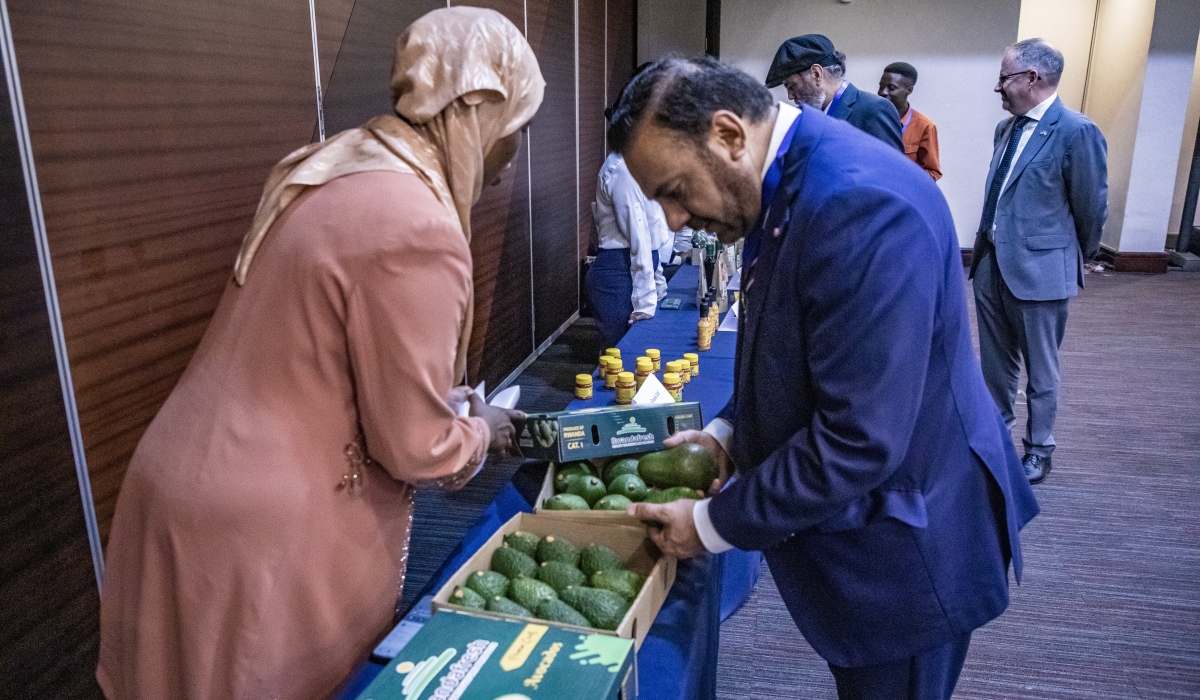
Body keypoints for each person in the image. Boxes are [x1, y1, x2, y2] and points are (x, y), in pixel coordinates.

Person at [95, 8, 543, 698]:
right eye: (517, 130)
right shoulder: (416, 222)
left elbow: (323, 356)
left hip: (186, 485)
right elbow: (415, 447)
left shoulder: (338, 166)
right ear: (476, 110)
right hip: (263, 533)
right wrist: (481, 431)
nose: (511, 161)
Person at [610, 56, 1039, 699]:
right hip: (878, 528)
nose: (673, 220)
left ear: (729, 136)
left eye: (674, 190)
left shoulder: (855, 204)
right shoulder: (789, 178)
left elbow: (857, 438)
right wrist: (730, 429)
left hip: (909, 557)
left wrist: (708, 525)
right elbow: (795, 346)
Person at [969, 38, 1107, 485]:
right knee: (995, 365)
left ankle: (1039, 450)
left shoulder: (1076, 130)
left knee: (1041, 369)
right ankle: (994, 440)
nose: (998, 87)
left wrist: (1069, 259)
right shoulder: (1004, 130)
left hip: (1042, 271)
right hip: (991, 265)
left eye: (1004, 77)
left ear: (1033, 78)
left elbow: (1090, 207)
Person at [587, 150, 672, 348]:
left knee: (637, 355)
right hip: (617, 272)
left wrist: (657, 281)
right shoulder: (623, 169)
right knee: (620, 356)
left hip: (634, 267)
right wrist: (646, 301)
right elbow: (639, 239)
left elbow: (652, 233)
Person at [766, 33, 902, 151]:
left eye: (791, 86)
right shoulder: (805, 117)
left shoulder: (875, 109)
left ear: (816, 74)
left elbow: (892, 174)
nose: (790, 96)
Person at [878, 61, 942, 180]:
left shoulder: (924, 126)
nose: (883, 92)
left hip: (902, 194)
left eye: (891, 88)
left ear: (909, 90)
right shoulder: (870, 116)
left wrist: (904, 178)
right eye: (881, 86)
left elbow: (933, 172)